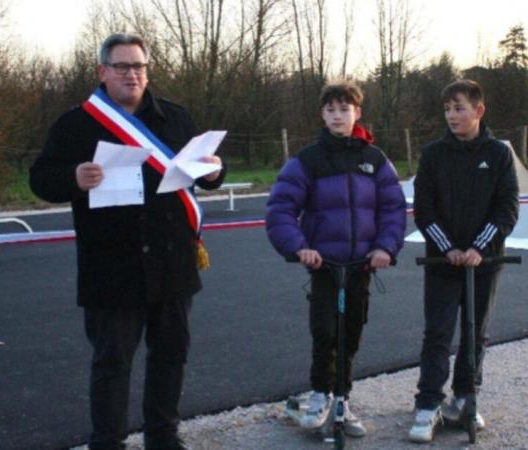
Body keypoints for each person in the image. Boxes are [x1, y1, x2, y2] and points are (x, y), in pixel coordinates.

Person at [29, 33, 224, 450]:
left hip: (173, 260)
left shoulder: (175, 118)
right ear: (102, 71)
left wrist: (214, 174)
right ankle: (107, 442)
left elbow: (200, 176)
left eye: (139, 66)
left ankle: (163, 436)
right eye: (122, 67)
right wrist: (73, 178)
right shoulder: (75, 124)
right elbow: (40, 178)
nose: (132, 74)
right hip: (111, 266)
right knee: (112, 364)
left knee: (170, 357)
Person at [265, 80, 406, 437]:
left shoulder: (374, 160)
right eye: (331, 110)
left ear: (357, 112)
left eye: (345, 109)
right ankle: (319, 394)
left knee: (351, 333)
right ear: (322, 115)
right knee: (325, 330)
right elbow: (281, 209)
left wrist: (385, 248)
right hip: (325, 266)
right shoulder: (307, 160)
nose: (338, 116)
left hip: (360, 266)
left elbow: (392, 208)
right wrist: (300, 247)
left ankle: (343, 398)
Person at [408, 79, 519, 443]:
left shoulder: (499, 155)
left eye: (459, 108)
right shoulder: (434, 153)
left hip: (484, 264)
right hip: (443, 263)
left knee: (476, 333)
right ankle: (427, 404)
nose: (452, 116)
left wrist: (478, 249)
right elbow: (423, 209)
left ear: (479, 111)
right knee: (437, 333)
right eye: (447, 110)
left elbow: (506, 208)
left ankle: (465, 396)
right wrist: (449, 249)